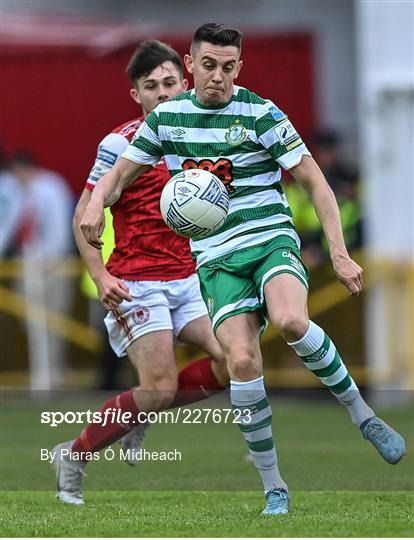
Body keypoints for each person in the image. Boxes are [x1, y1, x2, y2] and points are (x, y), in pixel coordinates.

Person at [80, 24, 406, 516]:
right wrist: (94, 205)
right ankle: (274, 486)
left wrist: (338, 252)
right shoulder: (168, 118)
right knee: (242, 363)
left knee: (293, 321)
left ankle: (364, 417)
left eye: (228, 67)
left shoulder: (260, 112)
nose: (217, 76)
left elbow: (316, 184)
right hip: (214, 257)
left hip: (269, 239)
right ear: (190, 65)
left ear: (239, 66)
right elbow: (118, 174)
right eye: (208, 65)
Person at [52, 40, 228, 505]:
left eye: (170, 82)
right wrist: (100, 278)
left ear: (184, 82)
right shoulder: (119, 144)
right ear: (137, 96)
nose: (163, 93)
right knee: (159, 387)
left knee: (235, 360)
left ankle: (146, 407)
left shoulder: (206, 134)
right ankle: (73, 454)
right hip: (138, 282)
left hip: (189, 279)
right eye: (151, 87)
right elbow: (83, 217)